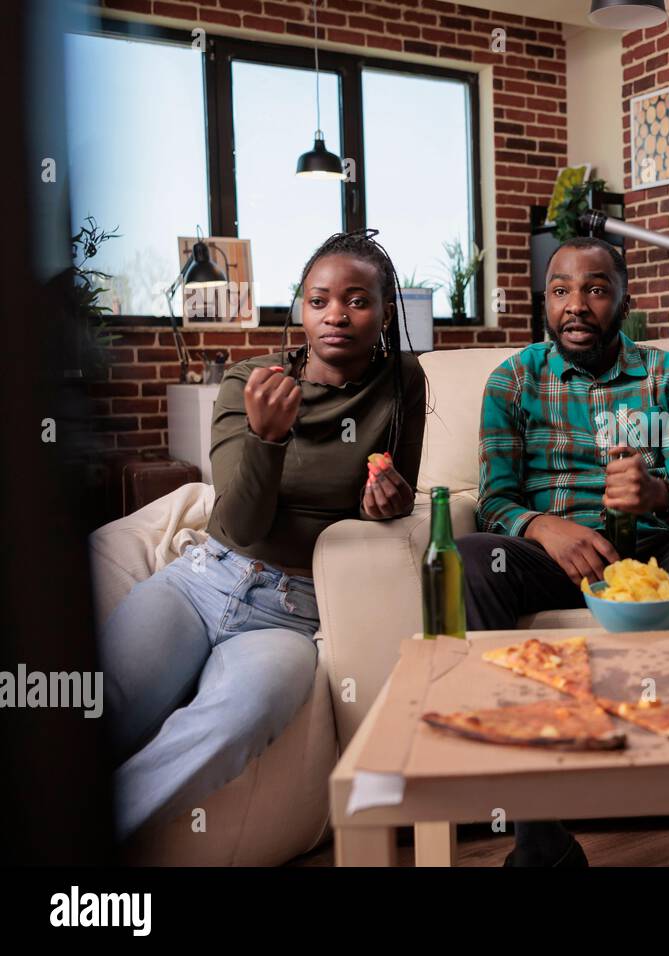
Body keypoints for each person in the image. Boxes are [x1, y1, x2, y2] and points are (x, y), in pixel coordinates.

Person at [459, 236, 669, 866]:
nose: (577, 305)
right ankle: (540, 839)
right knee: (474, 557)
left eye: (595, 289)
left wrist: (659, 495)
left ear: (623, 298)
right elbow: (494, 501)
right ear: (545, 299)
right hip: (558, 562)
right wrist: (540, 526)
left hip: (660, 555)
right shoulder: (513, 379)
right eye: (561, 290)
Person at [99, 230, 427, 841]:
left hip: (293, 615)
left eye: (358, 300)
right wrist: (266, 438)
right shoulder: (251, 383)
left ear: (386, 313)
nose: (336, 314)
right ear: (300, 308)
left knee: (241, 716)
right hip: (201, 583)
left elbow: (397, 495)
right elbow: (243, 522)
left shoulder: (403, 380)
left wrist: (392, 504)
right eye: (319, 298)